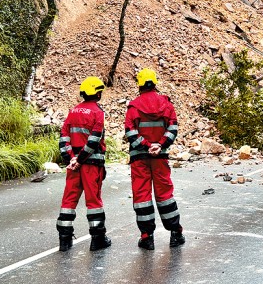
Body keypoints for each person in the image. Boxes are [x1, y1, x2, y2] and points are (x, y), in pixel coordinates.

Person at [124, 68, 185, 249]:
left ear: (140, 84)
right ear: (155, 83)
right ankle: (175, 233)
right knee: (165, 194)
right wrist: (160, 145)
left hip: (139, 158)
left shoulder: (133, 107)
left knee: (142, 196)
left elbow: (130, 132)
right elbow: (173, 128)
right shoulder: (166, 104)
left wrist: (146, 145)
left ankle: (146, 237)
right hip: (160, 157)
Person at [56, 76, 112, 252]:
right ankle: (98, 239)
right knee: (93, 201)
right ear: (97, 93)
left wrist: (71, 159)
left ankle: (64, 240)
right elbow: (94, 140)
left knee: (68, 200)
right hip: (91, 164)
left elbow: (63, 137)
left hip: (74, 165)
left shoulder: (73, 111)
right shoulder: (98, 112)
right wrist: (80, 160)